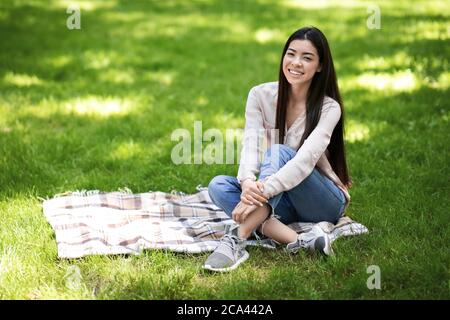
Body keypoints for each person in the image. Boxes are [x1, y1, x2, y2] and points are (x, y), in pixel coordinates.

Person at [203, 26, 352, 272]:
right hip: (281, 200)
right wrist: (248, 182)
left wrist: (259, 194)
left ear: (321, 66)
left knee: (279, 153)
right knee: (218, 185)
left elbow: (304, 162)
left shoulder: (329, 108)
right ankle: (302, 241)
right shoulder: (260, 95)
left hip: (321, 201)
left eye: (307, 57)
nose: (295, 62)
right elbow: (251, 144)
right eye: (291, 54)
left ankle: (237, 239)